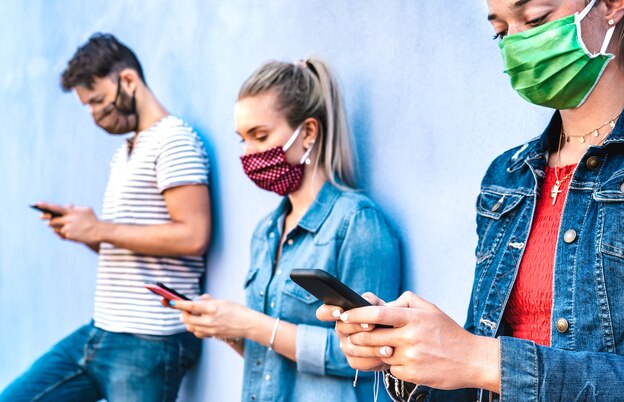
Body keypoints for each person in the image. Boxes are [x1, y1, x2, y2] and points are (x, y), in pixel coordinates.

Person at [318, 0, 624, 400]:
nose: (517, 44)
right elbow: (477, 376)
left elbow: (485, 361)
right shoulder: (507, 177)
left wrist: (481, 359)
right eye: (501, 31)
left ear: (611, 5)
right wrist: (408, 351)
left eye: (534, 19)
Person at [169, 58, 402, 401]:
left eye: (259, 135)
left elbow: (372, 354)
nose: (249, 153)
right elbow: (271, 358)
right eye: (242, 140)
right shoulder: (265, 231)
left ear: (308, 132)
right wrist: (227, 328)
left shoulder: (357, 222)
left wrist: (249, 323)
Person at [0, 33, 211, 402]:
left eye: (98, 100)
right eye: (87, 106)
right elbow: (133, 242)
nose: (95, 114)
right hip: (100, 331)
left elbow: (193, 235)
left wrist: (99, 227)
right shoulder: (126, 151)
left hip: (147, 341)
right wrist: (88, 234)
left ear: (128, 80)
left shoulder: (174, 140)